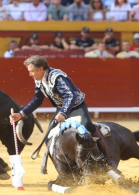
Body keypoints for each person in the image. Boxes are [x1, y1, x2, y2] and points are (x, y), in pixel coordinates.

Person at [9, 55, 124, 184]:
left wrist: (63, 113)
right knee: (50, 137)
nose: (30, 74)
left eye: (31, 71)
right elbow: (37, 99)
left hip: (76, 107)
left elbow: (71, 95)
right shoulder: (39, 80)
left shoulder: (57, 77)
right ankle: (66, 172)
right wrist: (22, 114)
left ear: (41, 69)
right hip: (61, 108)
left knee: (87, 127)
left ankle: (107, 161)